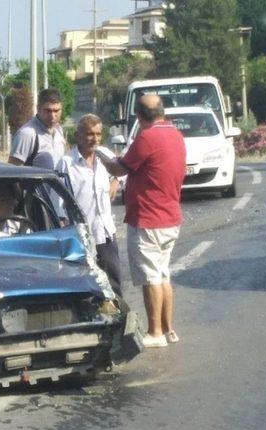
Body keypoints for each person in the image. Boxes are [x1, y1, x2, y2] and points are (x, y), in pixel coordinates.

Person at [98, 94, 186, 348]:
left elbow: (119, 169)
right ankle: (169, 329)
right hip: (170, 215)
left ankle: (155, 332)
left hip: (149, 217)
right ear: (162, 111)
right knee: (162, 274)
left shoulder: (147, 137)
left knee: (150, 278)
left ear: (139, 116)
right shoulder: (175, 135)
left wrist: (103, 156)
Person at [55, 114, 122, 296]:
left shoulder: (106, 156)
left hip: (106, 232)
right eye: (90, 134)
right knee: (85, 284)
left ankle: (119, 319)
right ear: (78, 136)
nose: (95, 139)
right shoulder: (66, 163)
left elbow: (124, 171)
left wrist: (116, 180)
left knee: (113, 282)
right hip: (81, 235)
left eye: (98, 134)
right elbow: (59, 202)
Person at [9, 88, 67, 168]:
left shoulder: (59, 131)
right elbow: (13, 172)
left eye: (56, 111)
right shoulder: (27, 134)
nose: (52, 116)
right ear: (38, 109)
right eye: (48, 111)